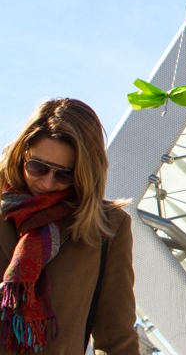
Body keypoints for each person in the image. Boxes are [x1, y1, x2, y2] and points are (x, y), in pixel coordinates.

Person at [0, 98, 138, 355]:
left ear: (85, 172)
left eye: (64, 174)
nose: (47, 183)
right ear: (23, 153)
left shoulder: (107, 228)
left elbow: (117, 336)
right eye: (37, 167)